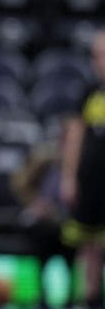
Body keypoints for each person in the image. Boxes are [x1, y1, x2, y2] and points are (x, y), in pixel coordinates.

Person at [60, 30, 105, 309]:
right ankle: (86, 298)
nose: (100, 61)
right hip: (92, 182)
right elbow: (74, 138)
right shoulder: (87, 93)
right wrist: (68, 178)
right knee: (87, 245)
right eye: (96, 56)